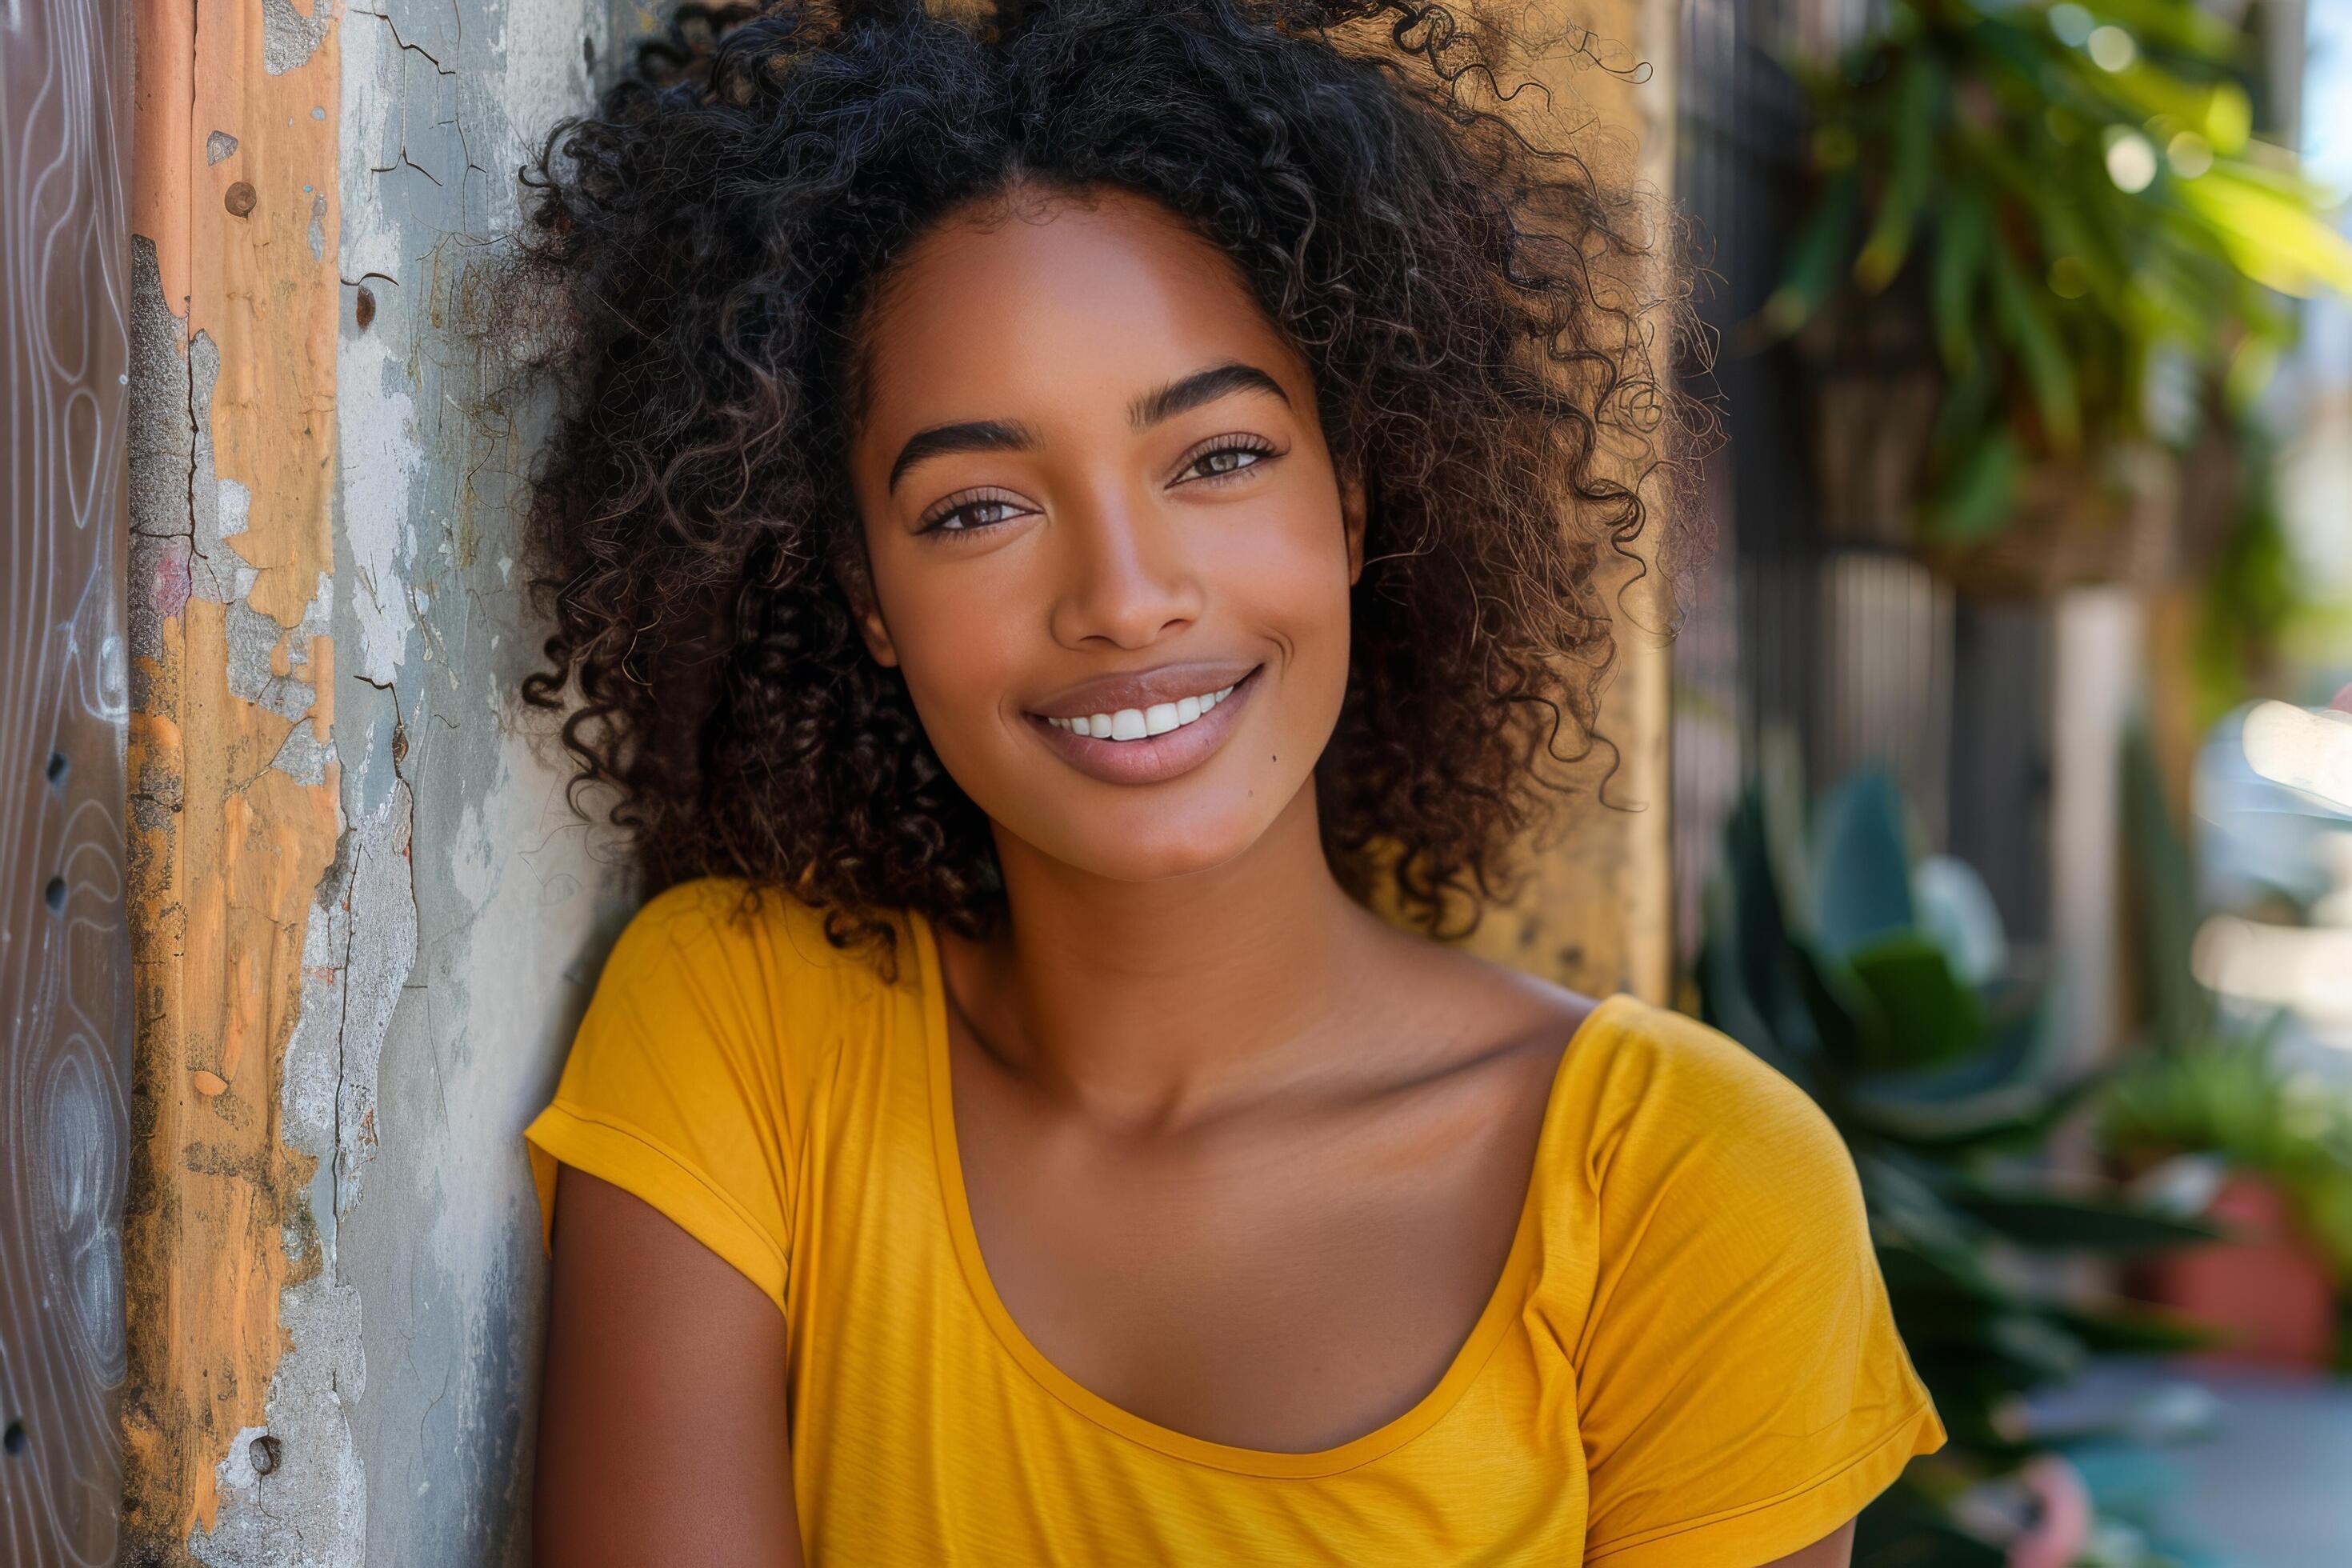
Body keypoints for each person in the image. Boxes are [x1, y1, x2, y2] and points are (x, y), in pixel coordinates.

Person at [505, 2, 1946, 1561]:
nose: (1125, 596)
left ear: (1352, 497)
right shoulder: (743, 1033)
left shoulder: (1684, 1187)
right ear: (862, 588)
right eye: (979, 505)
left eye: (1217, 458)